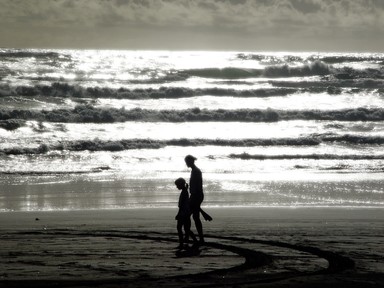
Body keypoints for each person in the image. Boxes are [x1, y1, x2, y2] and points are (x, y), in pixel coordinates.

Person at [184, 154, 208, 244]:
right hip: (196, 195)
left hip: (196, 196)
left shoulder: (196, 171)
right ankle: (200, 238)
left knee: (189, 216)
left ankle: (191, 237)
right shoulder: (195, 171)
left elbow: (197, 186)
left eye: (186, 162)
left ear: (190, 162)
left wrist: (194, 198)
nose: (186, 164)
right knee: (195, 216)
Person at [174, 177, 196, 249]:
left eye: (177, 185)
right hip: (186, 213)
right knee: (186, 229)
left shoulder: (184, 192)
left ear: (180, 185)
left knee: (180, 228)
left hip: (183, 213)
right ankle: (194, 240)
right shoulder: (185, 191)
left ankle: (181, 242)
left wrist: (178, 214)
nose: (177, 187)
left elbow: (181, 205)